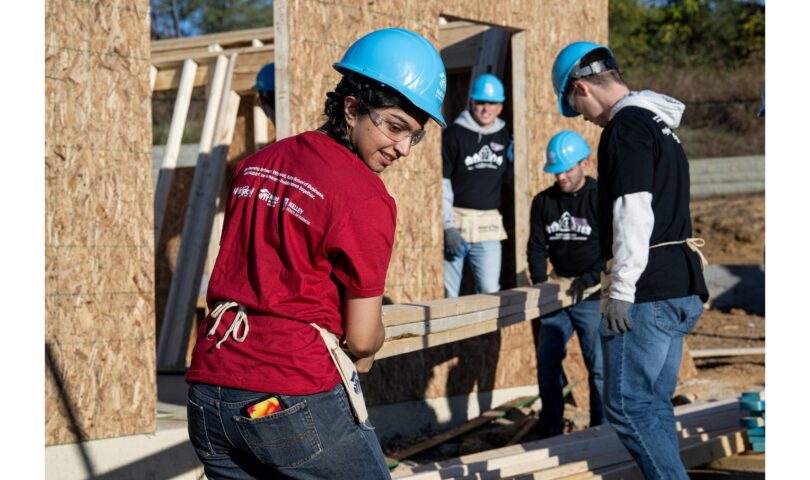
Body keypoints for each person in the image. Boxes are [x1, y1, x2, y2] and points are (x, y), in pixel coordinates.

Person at [184, 28, 447, 479]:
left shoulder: (259, 164)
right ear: (351, 108)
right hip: (286, 395)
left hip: (209, 392)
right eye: (395, 126)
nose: (403, 148)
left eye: (414, 136)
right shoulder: (365, 197)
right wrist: (370, 343)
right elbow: (363, 339)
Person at [551, 41, 709, 479]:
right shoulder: (659, 126)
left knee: (626, 406)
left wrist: (619, 290)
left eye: (575, 105)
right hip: (680, 283)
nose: (582, 116)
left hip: (648, 291)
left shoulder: (624, 129)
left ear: (582, 87)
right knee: (653, 403)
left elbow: (633, 211)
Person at [527, 130, 606, 438]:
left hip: (591, 293)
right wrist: (540, 284)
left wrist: (590, 279)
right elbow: (536, 247)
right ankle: (550, 426)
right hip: (558, 293)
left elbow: (612, 248)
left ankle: (602, 428)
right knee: (547, 361)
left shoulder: (600, 198)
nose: (561, 176)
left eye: (567, 169)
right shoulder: (544, 202)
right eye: (556, 170)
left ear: (584, 163)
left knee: (598, 366)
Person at [442, 73, 513, 297]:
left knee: (490, 291)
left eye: (491, 103)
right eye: (481, 102)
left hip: (489, 224)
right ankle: (452, 334)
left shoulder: (506, 135)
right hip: (458, 221)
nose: (486, 108)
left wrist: (514, 161)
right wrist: (447, 227)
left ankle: (486, 334)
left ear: (500, 107)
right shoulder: (453, 135)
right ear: (472, 102)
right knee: (450, 294)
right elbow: (443, 183)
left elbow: (510, 182)